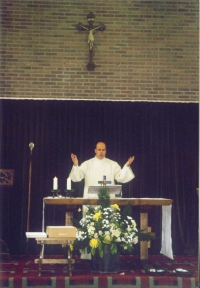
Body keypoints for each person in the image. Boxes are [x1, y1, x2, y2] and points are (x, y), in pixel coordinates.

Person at [70, 142, 135, 198]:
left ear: (105, 151)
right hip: (91, 199)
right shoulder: (87, 164)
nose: (101, 152)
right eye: (99, 150)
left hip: (108, 199)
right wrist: (75, 165)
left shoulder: (113, 164)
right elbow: (77, 177)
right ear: (95, 150)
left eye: (103, 150)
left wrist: (127, 165)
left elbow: (120, 177)